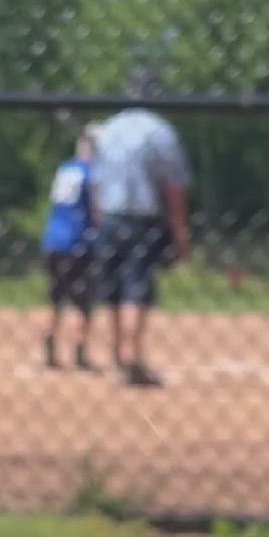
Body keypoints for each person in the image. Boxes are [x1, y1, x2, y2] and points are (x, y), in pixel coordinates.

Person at [91, 73, 192, 388]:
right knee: (137, 286)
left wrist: (99, 218)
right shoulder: (159, 131)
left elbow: (97, 181)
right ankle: (133, 360)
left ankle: (118, 358)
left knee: (114, 288)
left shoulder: (108, 129)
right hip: (142, 219)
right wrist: (180, 231)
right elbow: (174, 186)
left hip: (109, 217)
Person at [40, 127, 100, 370]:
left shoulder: (65, 169)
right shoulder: (93, 172)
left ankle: (50, 349)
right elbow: (97, 210)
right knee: (84, 301)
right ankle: (79, 352)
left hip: (54, 239)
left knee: (55, 298)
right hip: (78, 242)